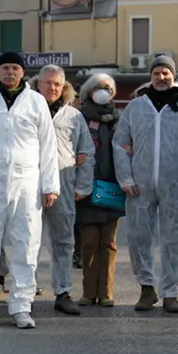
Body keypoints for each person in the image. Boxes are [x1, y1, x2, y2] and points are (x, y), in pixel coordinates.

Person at [0, 51, 60, 329]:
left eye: (15, 68)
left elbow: (48, 145)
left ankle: (21, 306)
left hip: (27, 184)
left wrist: (50, 185)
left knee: (26, 246)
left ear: (22, 73)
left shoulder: (36, 102)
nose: (9, 72)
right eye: (5, 67)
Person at [113, 55, 178, 313]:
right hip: (140, 185)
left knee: (174, 238)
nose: (161, 78)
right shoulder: (136, 107)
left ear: (173, 76)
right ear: (150, 77)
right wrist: (126, 178)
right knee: (139, 236)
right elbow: (120, 143)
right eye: (157, 73)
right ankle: (146, 288)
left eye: (166, 73)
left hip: (175, 185)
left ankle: (171, 292)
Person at [30, 65, 94, 315]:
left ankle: (63, 291)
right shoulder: (28, 110)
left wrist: (83, 185)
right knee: (28, 239)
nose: (52, 88)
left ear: (64, 86)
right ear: (38, 84)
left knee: (63, 241)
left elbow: (86, 152)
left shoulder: (73, 116)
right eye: (47, 83)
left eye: (57, 84)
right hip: (30, 184)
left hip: (63, 185)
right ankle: (25, 292)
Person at [77, 73, 125, 307]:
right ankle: (88, 292)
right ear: (89, 91)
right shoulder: (80, 117)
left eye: (107, 87)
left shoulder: (118, 119)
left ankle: (106, 292)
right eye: (98, 87)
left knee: (109, 242)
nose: (103, 90)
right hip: (87, 188)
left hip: (112, 187)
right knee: (88, 242)